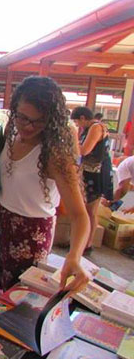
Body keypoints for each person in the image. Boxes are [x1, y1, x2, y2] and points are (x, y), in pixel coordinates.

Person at [0, 76, 89, 291]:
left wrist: (74, 256)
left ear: (51, 119)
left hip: (31, 235)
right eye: (22, 117)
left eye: (38, 120)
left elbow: (80, 215)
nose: (28, 126)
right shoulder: (12, 132)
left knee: (16, 304)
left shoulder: (55, 155)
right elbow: (9, 180)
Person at [70, 106, 113, 255]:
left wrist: (73, 136)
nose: (77, 125)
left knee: (90, 211)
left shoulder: (95, 127)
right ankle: (82, 242)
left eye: (77, 121)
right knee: (86, 210)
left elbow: (84, 150)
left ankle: (87, 244)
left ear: (83, 118)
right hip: (89, 172)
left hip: (96, 173)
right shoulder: (90, 128)